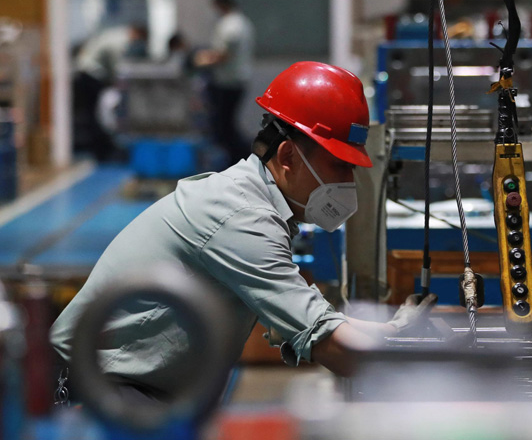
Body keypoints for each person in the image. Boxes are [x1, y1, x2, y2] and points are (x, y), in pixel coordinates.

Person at [50, 62, 437, 402]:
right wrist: (436, 363)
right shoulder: (243, 217)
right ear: (287, 156)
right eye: (339, 165)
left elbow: (319, 321)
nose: (348, 182)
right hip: (95, 388)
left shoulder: (252, 202)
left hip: (135, 387)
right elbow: (333, 346)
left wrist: (392, 330)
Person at [73, 23, 149, 161]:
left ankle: (101, 149)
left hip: (87, 73)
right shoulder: (120, 43)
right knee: (96, 116)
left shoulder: (116, 33)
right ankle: (101, 151)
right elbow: (117, 70)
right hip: (90, 75)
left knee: (94, 115)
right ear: (137, 34)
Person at [195, 0, 255, 164]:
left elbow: (223, 55)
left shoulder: (231, 25)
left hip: (228, 82)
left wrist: (201, 60)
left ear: (221, 5)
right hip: (234, 80)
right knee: (226, 125)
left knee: (224, 126)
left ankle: (242, 158)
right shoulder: (243, 22)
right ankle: (238, 158)